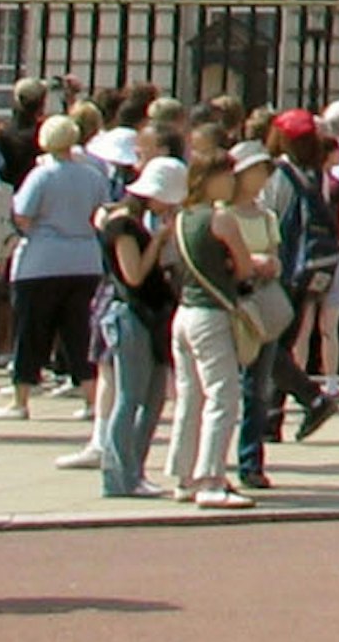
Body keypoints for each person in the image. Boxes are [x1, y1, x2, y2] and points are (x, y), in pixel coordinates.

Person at [163, 144, 259, 509]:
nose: (232, 182)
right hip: (213, 313)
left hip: (185, 313)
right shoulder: (221, 218)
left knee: (190, 397)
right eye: (227, 176)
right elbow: (246, 267)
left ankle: (184, 475)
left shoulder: (182, 217)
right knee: (223, 396)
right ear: (212, 179)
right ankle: (211, 478)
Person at [86, 153, 184, 499]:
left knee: (153, 396)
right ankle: (118, 474)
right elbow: (133, 275)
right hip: (131, 315)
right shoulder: (122, 226)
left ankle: (134, 469)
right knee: (130, 397)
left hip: (150, 315)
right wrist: (159, 242)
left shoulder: (136, 223)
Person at [7, 113, 106, 419]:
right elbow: (100, 212)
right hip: (85, 259)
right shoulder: (92, 175)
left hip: (42, 260)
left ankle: (20, 399)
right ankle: (91, 399)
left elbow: (22, 215)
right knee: (79, 333)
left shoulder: (42, 175)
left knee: (31, 331)